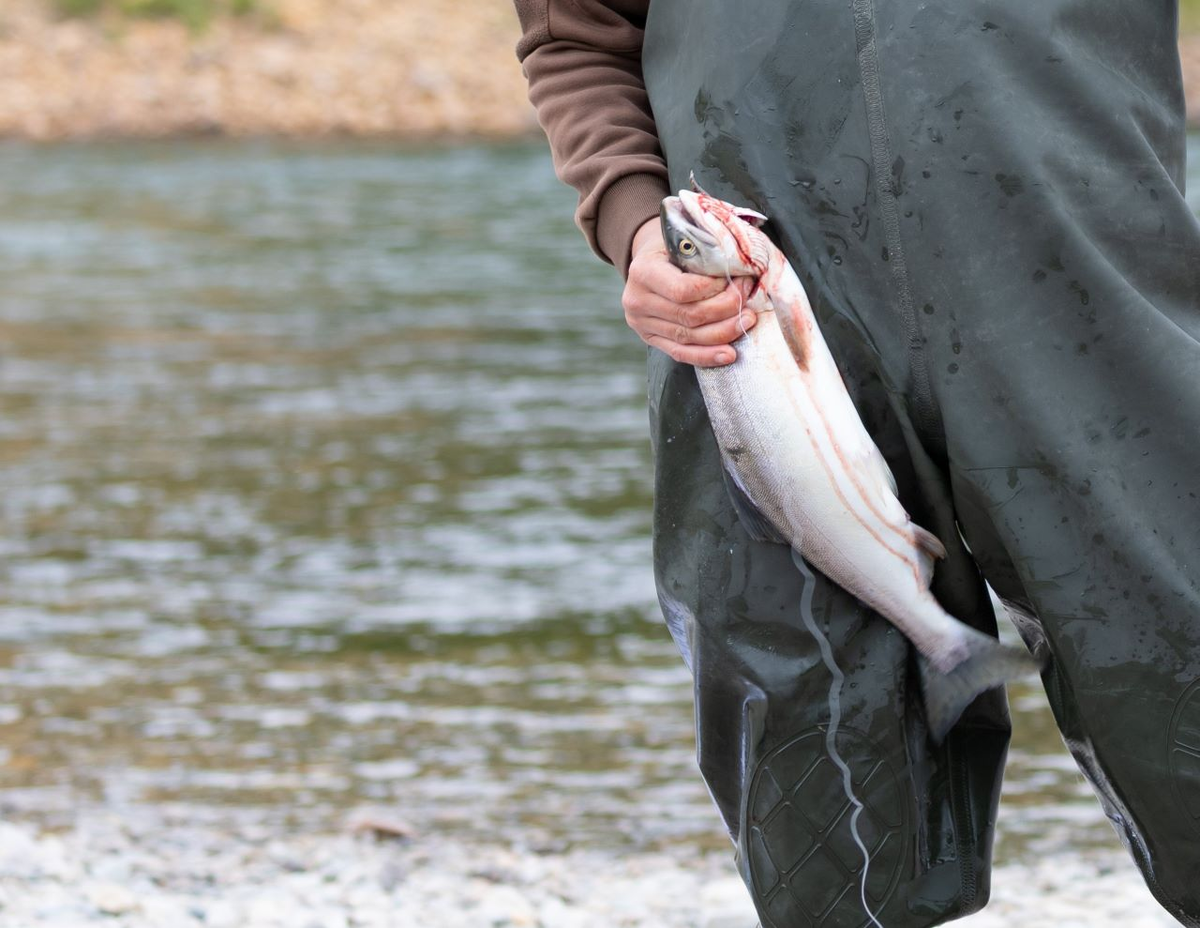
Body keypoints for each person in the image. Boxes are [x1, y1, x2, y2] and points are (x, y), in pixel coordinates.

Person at [513, 2, 1200, 925]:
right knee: (826, 842)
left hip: (1094, 303)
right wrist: (637, 225)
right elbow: (576, 37)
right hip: (753, 351)